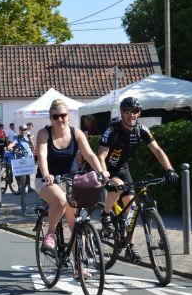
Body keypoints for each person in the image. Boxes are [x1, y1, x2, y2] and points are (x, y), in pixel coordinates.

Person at [97, 97, 179, 262]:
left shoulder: (141, 130)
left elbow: (157, 150)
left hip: (123, 169)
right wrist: (104, 174)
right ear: (122, 113)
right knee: (118, 186)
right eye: (127, 111)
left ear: (139, 113)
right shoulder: (112, 128)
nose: (131, 115)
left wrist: (169, 169)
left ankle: (130, 247)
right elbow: (101, 153)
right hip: (106, 168)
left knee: (132, 208)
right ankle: (105, 215)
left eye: (135, 111)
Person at [35, 99, 110, 277]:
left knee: (76, 225)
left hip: (70, 181)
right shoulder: (44, 133)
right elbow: (42, 156)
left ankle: (78, 267)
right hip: (48, 181)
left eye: (63, 115)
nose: (60, 119)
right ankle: (50, 234)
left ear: (69, 116)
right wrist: (46, 173)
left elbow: (89, 154)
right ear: (51, 118)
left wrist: (101, 172)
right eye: (56, 116)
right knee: (60, 200)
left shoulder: (76, 133)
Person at [6, 124, 35, 192]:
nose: (23, 131)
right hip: (20, 156)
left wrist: (30, 139)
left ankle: (29, 187)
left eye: (24, 129)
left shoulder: (28, 137)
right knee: (17, 172)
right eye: (21, 129)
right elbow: (13, 143)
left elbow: (32, 146)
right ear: (19, 130)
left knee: (28, 173)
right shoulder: (17, 137)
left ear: (26, 130)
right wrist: (9, 147)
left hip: (28, 156)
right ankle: (19, 187)